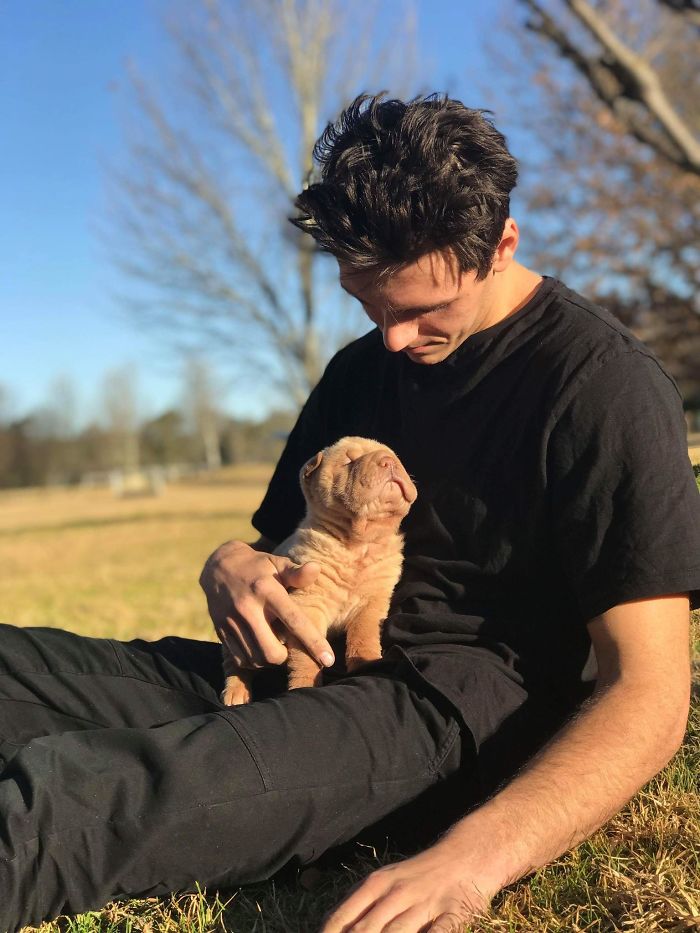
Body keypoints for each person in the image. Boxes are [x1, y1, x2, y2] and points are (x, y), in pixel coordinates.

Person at [1, 93, 698, 933]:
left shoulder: (602, 387)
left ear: (502, 243)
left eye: (421, 310)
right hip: (292, 666)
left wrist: (473, 857)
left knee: (77, 802)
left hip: (440, 711)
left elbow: (652, 693)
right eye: (371, 305)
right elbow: (280, 547)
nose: (394, 340)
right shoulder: (358, 369)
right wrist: (230, 560)